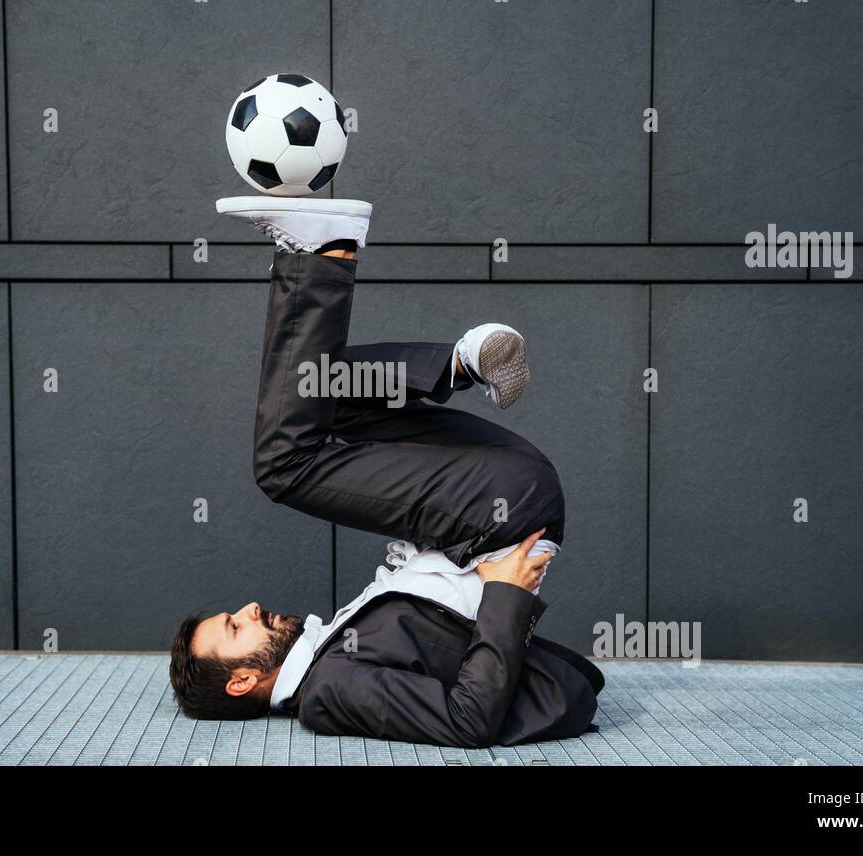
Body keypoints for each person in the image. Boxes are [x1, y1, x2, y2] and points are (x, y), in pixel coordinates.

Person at [168, 196, 603, 748]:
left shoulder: (329, 648)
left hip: (501, 491)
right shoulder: (327, 690)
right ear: (243, 681)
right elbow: (467, 720)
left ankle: (459, 361)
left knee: (313, 391)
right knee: (282, 463)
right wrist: (505, 599)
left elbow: (435, 626)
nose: (249, 609)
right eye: (235, 628)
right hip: (501, 517)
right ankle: (319, 250)